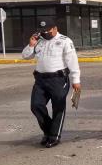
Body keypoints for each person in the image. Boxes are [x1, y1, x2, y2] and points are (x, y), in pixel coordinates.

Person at [21, 19, 81, 147]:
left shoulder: (65, 41)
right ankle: (48, 131)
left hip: (58, 79)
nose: (44, 33)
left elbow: (72, 61)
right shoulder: (39, 41)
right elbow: (25, 56)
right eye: (42, 30)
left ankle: (54, 136)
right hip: (40, 80)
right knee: (36, 106)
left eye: (47, 30)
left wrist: (76, 80)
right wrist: (31, 45)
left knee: (58, 107)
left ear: (54, 28)